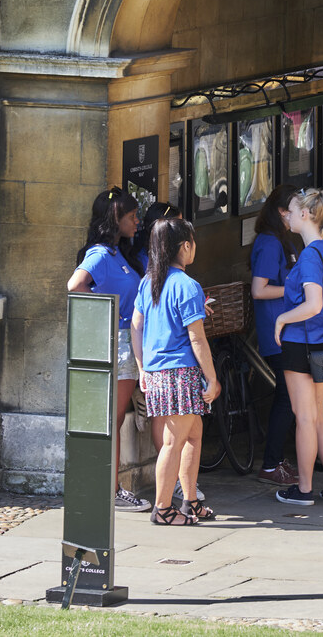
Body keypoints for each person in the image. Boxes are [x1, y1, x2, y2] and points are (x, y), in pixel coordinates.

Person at [130, 218, 221, 525]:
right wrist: (212, 378)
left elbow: (136, 327)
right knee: (174, 442)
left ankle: (190, 501)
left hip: (157, 372)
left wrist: (142, 368)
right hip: (180, 373)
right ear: (185, 246)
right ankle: (163, 508)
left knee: (193, 435)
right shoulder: (187, 286)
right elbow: (197, 338)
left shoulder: (148, 282)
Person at [66, 187, 151, 512]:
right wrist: (108, 309)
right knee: (110, 422)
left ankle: (110, 487)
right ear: (116, 218)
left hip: (124, 345)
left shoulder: (117, 253)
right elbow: (75, 286)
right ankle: (110, 489)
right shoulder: (100, 254)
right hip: (116, 345)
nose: (137, 221)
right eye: (132, 216)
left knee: (112, 421)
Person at [273, 188, 323, 506]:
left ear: (305, 214)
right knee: (318, 416)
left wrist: (282, 320)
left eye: (290, 211)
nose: (286, 216)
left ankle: (304, 489)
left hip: (301, 344)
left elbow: (313, 304)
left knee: (304, 417)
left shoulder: (308, 255)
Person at [251, 184, 300, 487]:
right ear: (283, 212)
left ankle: (276, 460)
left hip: (287, 328)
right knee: (287, 395)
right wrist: (297, 290)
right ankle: (270, 464)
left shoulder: (283, 240)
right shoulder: (269, 243)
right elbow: (259, 289)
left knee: (289, 395)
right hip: (276, 330)